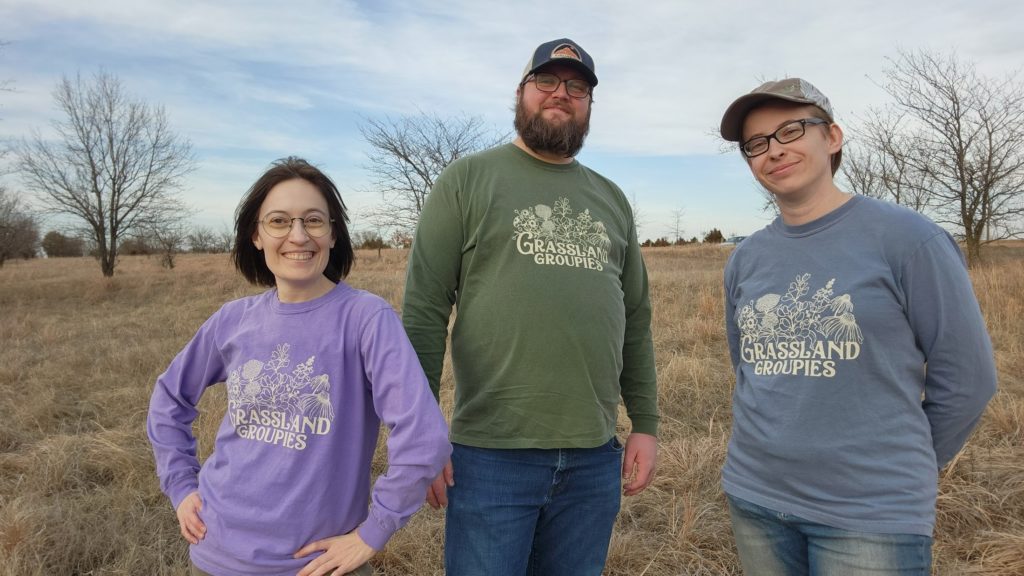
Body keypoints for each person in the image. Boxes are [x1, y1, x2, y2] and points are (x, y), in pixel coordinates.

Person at [718, 78, 997, 575]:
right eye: (756, 144)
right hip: (756, 498)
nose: (773, 151)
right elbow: (749, 369)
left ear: (832, 137)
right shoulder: (746, 257)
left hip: (869, 515)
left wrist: (898, 468)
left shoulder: (910, 239)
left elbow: (969, 380)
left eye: (789, 131)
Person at [401, 38, 659, 576]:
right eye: (547, 82)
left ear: (588, 105)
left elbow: (635, 318)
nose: (561, 94)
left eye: (577, 87)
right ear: (520, 93)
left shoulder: (610, 198)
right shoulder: (467, 180)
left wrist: (646, 423)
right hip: (492, 456)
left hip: (593, 457)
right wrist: (418, 434)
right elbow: (424, 310)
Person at [147, 157, 451, 576]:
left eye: (313, 220)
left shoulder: (365, 319)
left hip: (319, 565)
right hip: (216, 553)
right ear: (256, 235)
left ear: (332, 233)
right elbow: (169, 398)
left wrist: (371, 534)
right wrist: (181, 486)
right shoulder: (233, 320)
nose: (298, 235)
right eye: (279, 221)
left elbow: (424, 438)